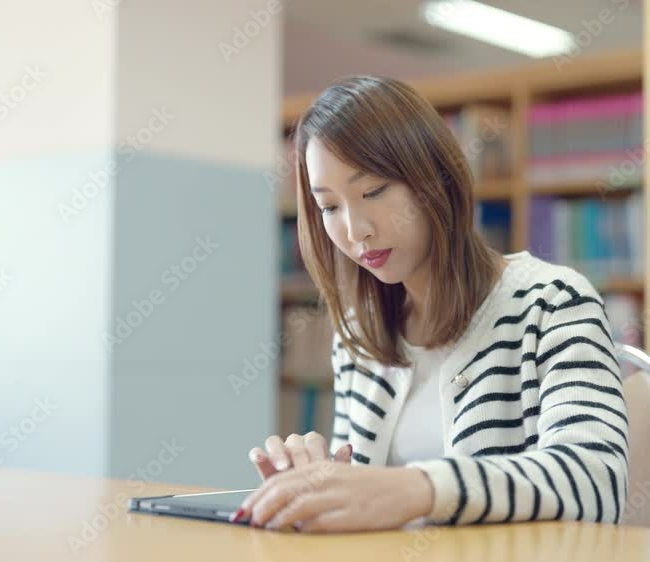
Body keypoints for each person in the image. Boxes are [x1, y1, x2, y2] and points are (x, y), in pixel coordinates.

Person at [236, 75, 628, 533]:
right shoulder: (356, 333)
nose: (355, 229)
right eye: (329, 207)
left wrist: (417, 488)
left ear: (434, 181)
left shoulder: (553, 302)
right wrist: (317, 488)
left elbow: (595, 483)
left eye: (374, 191)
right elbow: (367, 505)